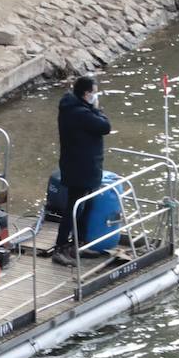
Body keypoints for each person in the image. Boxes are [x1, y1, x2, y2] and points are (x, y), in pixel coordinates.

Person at [53, 76, 112, 268]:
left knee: (84, 205)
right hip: (80, 167)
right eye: (93, 93)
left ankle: (78, 243)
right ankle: (60, 247)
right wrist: (96, 108)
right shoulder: (80, 112)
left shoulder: (74, 108)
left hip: (83, 165)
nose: (95, 96)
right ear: (86, 94)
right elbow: (105, 126)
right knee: (74, 207)